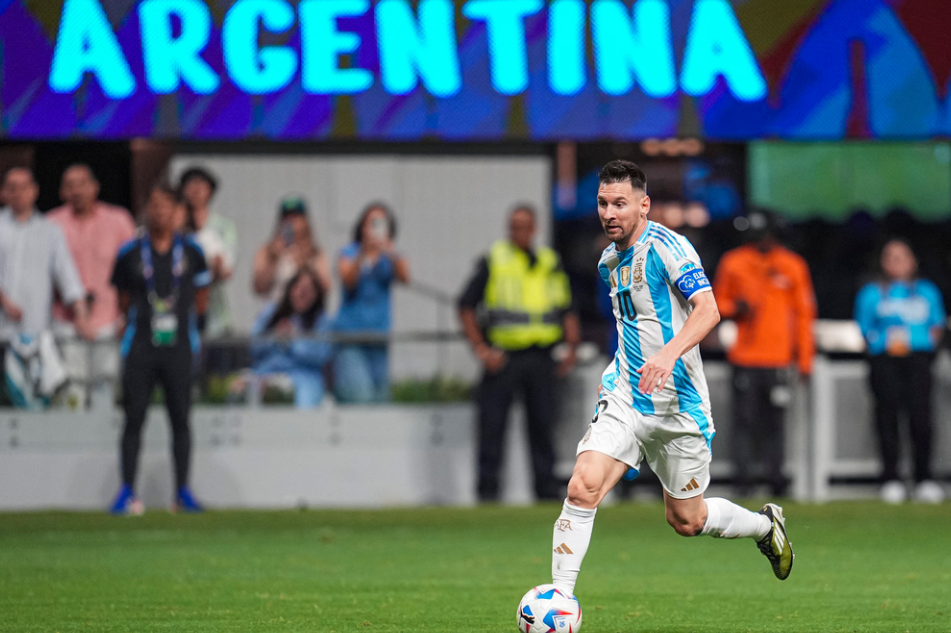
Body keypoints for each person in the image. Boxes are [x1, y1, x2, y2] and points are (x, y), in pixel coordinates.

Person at [547, 161, 793, 603]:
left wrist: (667, 354)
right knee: (582, 485)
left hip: (678, 404)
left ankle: (764, 525)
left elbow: (708, 310)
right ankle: (560, 602)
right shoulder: (608, 261)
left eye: (619, 203)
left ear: (644, 206)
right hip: (625, 394)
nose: (609, 213)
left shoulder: (669, 247)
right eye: (603, 203)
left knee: (687, 520)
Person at [458, 205, 579, 502]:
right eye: (514, 226)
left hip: (541, 356)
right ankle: (487, 494)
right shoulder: (495, 260)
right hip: (503, 357)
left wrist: (571, 348)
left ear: (534, 229)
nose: (519, 232)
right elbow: (465, 306)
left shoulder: (549, 262)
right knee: (492, 427)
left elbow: (567, 308)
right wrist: (481, 349)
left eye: (524, 226)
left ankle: (546, 493)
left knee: (543, 426)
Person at [108, 183, 211, 515]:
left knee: (180, 419)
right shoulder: (130, 253)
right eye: (154, 205)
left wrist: (189, 325)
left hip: (179, 346)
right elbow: (122, 300)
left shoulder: (192, 251)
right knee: (133, 418)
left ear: (177, 210)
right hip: (140, 346)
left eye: (166, 205)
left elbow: (201, 297)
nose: (160, 211)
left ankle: (182, 491)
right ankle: (127, 492)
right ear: (146, 210)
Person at [712, 210, 816, 497]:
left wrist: (805, 359)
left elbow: (804, 315)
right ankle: (742, 481)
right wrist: (735, 308)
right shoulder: (733, 262)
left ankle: (776, 480)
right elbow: (715, 303)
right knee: (743, 422)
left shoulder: (792, 265)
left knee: (776, 423)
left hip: (778, 358)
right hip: (744, 357)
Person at [854, 239, 946, 504]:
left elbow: (937, 325)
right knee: (887, 418)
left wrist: (924, 346)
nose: (897, 262)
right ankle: (891, 479)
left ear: (913, 261)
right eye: (891, 257)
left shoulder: (926, 291)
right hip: (885, 361)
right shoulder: (872, 293)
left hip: (918, 360)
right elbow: (864, 327)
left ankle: (924, 478)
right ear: (882, 262)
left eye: (902, 256)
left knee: (921, 419)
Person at [47, 163, 136, 406]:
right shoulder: (51, 224)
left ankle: (104, 444)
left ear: (95, 187)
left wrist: (128, 315)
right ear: (62, 192)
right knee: (70, 396)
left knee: (105, 394)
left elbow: (134, 271)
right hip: (66, 324)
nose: (77, 191)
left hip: (110, 322)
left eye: (82, 184)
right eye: (70, 186)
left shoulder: (118, 220)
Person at [0, 167, 89, 346]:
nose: (18, 193)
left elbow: (66, 274)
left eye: (24, 187)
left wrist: (81, 313)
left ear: (35, 191)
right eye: (12, 188)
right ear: (3, 193)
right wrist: (4, 301)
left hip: (36, 330)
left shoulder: (50, 231)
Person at [332, 202, 409, 403]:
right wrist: (364, 253)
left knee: (380, 399)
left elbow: (405, 277)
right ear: (362, 227)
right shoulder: (349, 252)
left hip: (378, 337)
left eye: (379, 223)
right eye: (370, 223)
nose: (374, 228)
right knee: (359, 396)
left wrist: (390, 251)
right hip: (351, 338)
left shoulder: (389, 256)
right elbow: (348, 279)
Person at [250, 267, 332, 408]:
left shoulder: (321, 321)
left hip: (303, 376)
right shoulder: (271, 312)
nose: (302, 293)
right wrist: (275, 337)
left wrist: (293, 341)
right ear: (290, 290)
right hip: (268, 372)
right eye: (299, 288)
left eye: (309, 290)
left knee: (303, 404)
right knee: (242, 393)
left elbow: (321, 355)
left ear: (317, 296)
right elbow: (253, 347)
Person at [179, 166, 237, 339]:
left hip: (215, 318)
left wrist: (215, 267)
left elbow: (226, 270)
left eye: (202, 185)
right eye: (191, 184)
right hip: (180, 314)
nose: (196, 190)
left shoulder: (222, 228)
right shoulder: (175, 227)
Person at [253, 196, 332, 302]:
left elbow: (326, 288)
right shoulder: (267, 250)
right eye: (286, 217)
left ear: (305, 221)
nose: (290, 221)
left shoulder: (315, 252)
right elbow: (259, 288)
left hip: (307, 314)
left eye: (295, 216)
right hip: (277, 311)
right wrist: (273, 258)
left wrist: (303, 262)